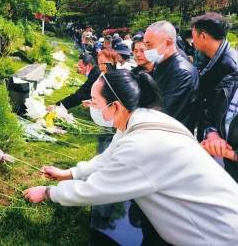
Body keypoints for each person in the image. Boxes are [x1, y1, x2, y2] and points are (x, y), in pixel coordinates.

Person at [24, 69, 238, 246]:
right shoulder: (141, 119)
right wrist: (69, 173)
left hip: (214, 232)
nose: (91, 107)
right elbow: (109, 158)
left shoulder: (142, 145)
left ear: (115, 106)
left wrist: (47, 192)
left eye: (95, 102)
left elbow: (95, 190)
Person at [144, 21, 199, 133]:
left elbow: (165, 112)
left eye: (149, 45)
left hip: (174, 136)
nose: (146, 50)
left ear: (168, 42)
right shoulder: (161, 64)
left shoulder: (181, 72)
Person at [190, 13, 238, 141]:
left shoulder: (230, 65)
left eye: (193, 36)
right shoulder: (212, 57)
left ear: (203, 36)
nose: (192, 40)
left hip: (220, 140)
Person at [201, 71, 238, 182]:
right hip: (228, 171)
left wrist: (227, 152)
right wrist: (213, 135)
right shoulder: (230, 80)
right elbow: (210, 114)